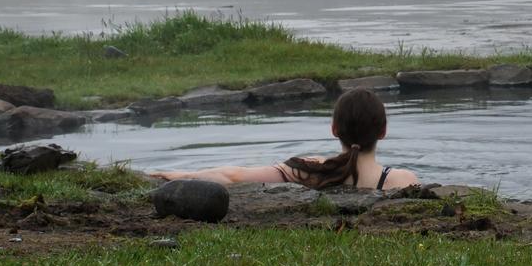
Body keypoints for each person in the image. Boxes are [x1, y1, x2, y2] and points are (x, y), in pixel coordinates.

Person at [150, 88, 418, 191]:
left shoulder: (309, 171)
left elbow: (233, 176)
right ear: (383, 132)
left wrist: (175, 174)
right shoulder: (401, 180)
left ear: (334, 129)